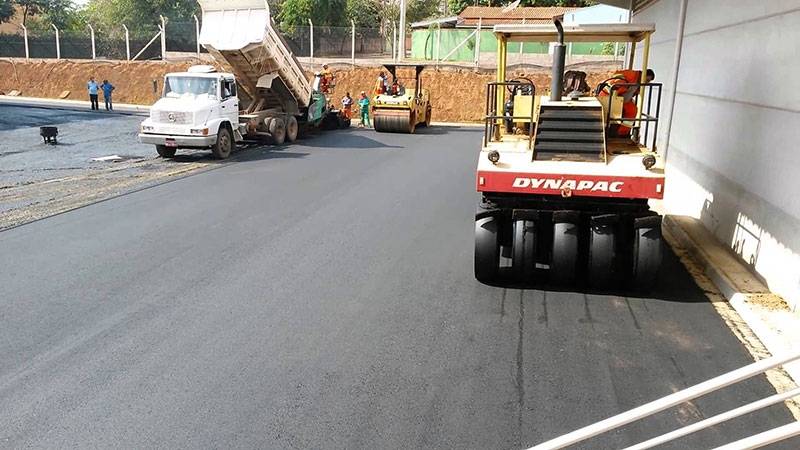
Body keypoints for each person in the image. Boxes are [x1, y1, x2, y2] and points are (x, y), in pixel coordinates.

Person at [597, 69, 655, 137]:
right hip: (608, 96)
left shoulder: (638, 81)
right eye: (647, 80)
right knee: (613, 113)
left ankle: (622, 133)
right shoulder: (631, 76)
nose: (647, 83)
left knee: (632, 110)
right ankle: (614, 132)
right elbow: (615, 85)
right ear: (643, 75)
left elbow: (629, 94)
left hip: (620, 97)